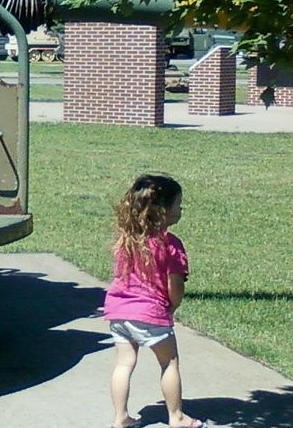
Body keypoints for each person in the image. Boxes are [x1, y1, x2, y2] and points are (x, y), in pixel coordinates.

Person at [103, 174, 203, 428]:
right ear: (163, 211)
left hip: (118, 311)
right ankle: (177, 417)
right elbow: (175, 285)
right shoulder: (170, 245)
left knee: (124, 363)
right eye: (178, 204)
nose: (181, 209)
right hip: (150, 313)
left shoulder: (126, 240)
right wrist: (172, 306)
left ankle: (120, 418)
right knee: (169, 362)